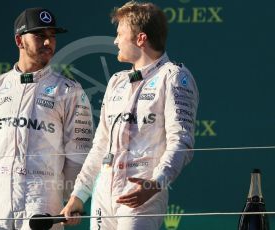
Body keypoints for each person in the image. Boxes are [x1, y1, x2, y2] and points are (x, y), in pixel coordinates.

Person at [61, 1, 199, 229]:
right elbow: (100, 145)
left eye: (119, 34)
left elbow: (182, 141)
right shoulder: (117, 81)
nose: (115, 41)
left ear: (141, 39)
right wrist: (78, 195)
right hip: (103, 194)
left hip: (141, 192)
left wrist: (156, 183)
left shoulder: (173, 76)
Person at [0, 7, 93, 230]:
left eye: (52, 37)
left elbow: (80, 151)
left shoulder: (69, 90)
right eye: (40, 36)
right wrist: (2, 180)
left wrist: (70, 197)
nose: (48, 43)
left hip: (44, 199)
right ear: (19, 41)